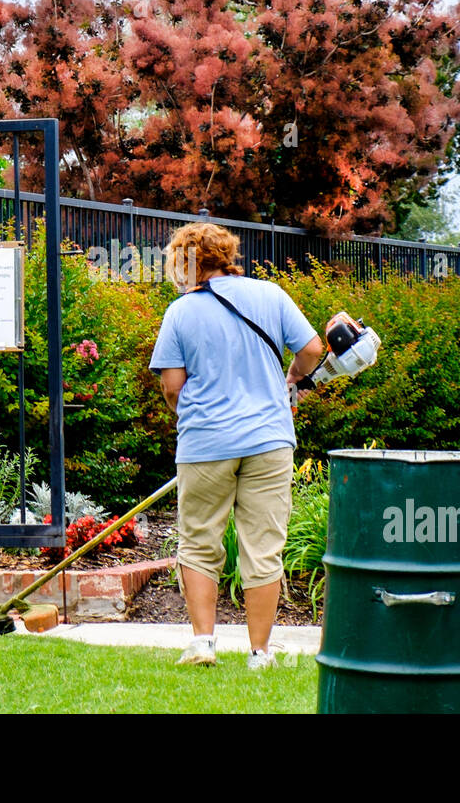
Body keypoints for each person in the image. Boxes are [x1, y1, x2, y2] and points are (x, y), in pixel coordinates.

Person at [149, 222, 324, 669]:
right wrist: (291, 380)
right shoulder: (270, 295)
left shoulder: (181, 312)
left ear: (185, 262)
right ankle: (260, 653)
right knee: (263, 546)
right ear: (227, 254)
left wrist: (193, 412)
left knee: (198, 541)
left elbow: (172, 386)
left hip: (205, 443)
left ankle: (203, 643)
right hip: (269, 439)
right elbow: (311, 349)